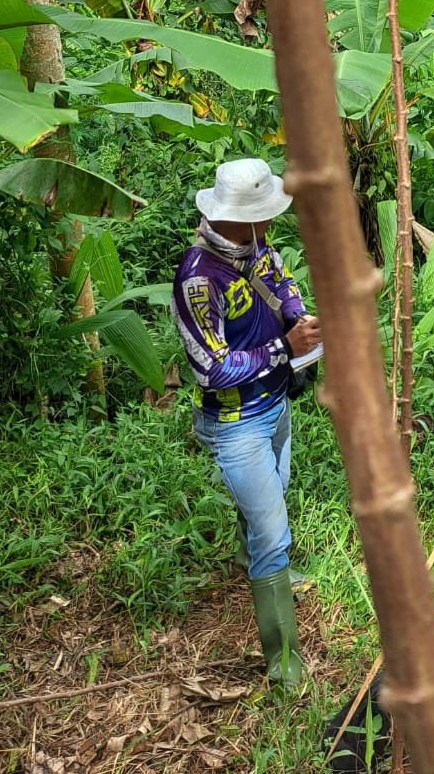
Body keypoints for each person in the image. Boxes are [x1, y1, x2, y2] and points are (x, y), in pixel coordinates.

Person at [171, 157, 321, 687]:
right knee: (274, 531)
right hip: (237, 421)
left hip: (274, 404)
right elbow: (208, 368)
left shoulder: (257, 249)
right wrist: (284, 346)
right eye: (265, 215)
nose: (271, 223)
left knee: (273, 496)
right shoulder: (197, 279)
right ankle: (283, 659)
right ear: (243, 216)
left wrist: (299, 317)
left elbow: (281, 285)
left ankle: (253, 552)